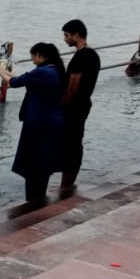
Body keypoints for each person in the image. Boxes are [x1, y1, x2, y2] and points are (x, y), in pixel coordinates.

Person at [0, 42, 66, 202]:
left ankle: (33, 201)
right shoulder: (56, 70)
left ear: (39, 55)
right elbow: (23, 77)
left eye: (33, 57)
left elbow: (14, 82)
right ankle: (40, 197)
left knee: (32, 163)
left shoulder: (42, 72)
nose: (32, 61)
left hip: (38, 123)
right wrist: (3, 71)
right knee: (44, 163)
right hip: (54, 121)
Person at [60, 19, 100, 191]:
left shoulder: (80, 57)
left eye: (66, 35)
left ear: (76, 35)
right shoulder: (93, 55)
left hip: (74, 107)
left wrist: (62, 106)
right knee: (75, 142)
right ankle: (68, 182)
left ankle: (66, 184)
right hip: (84, 103)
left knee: (70, 145)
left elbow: (72, 87)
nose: (65, 39)